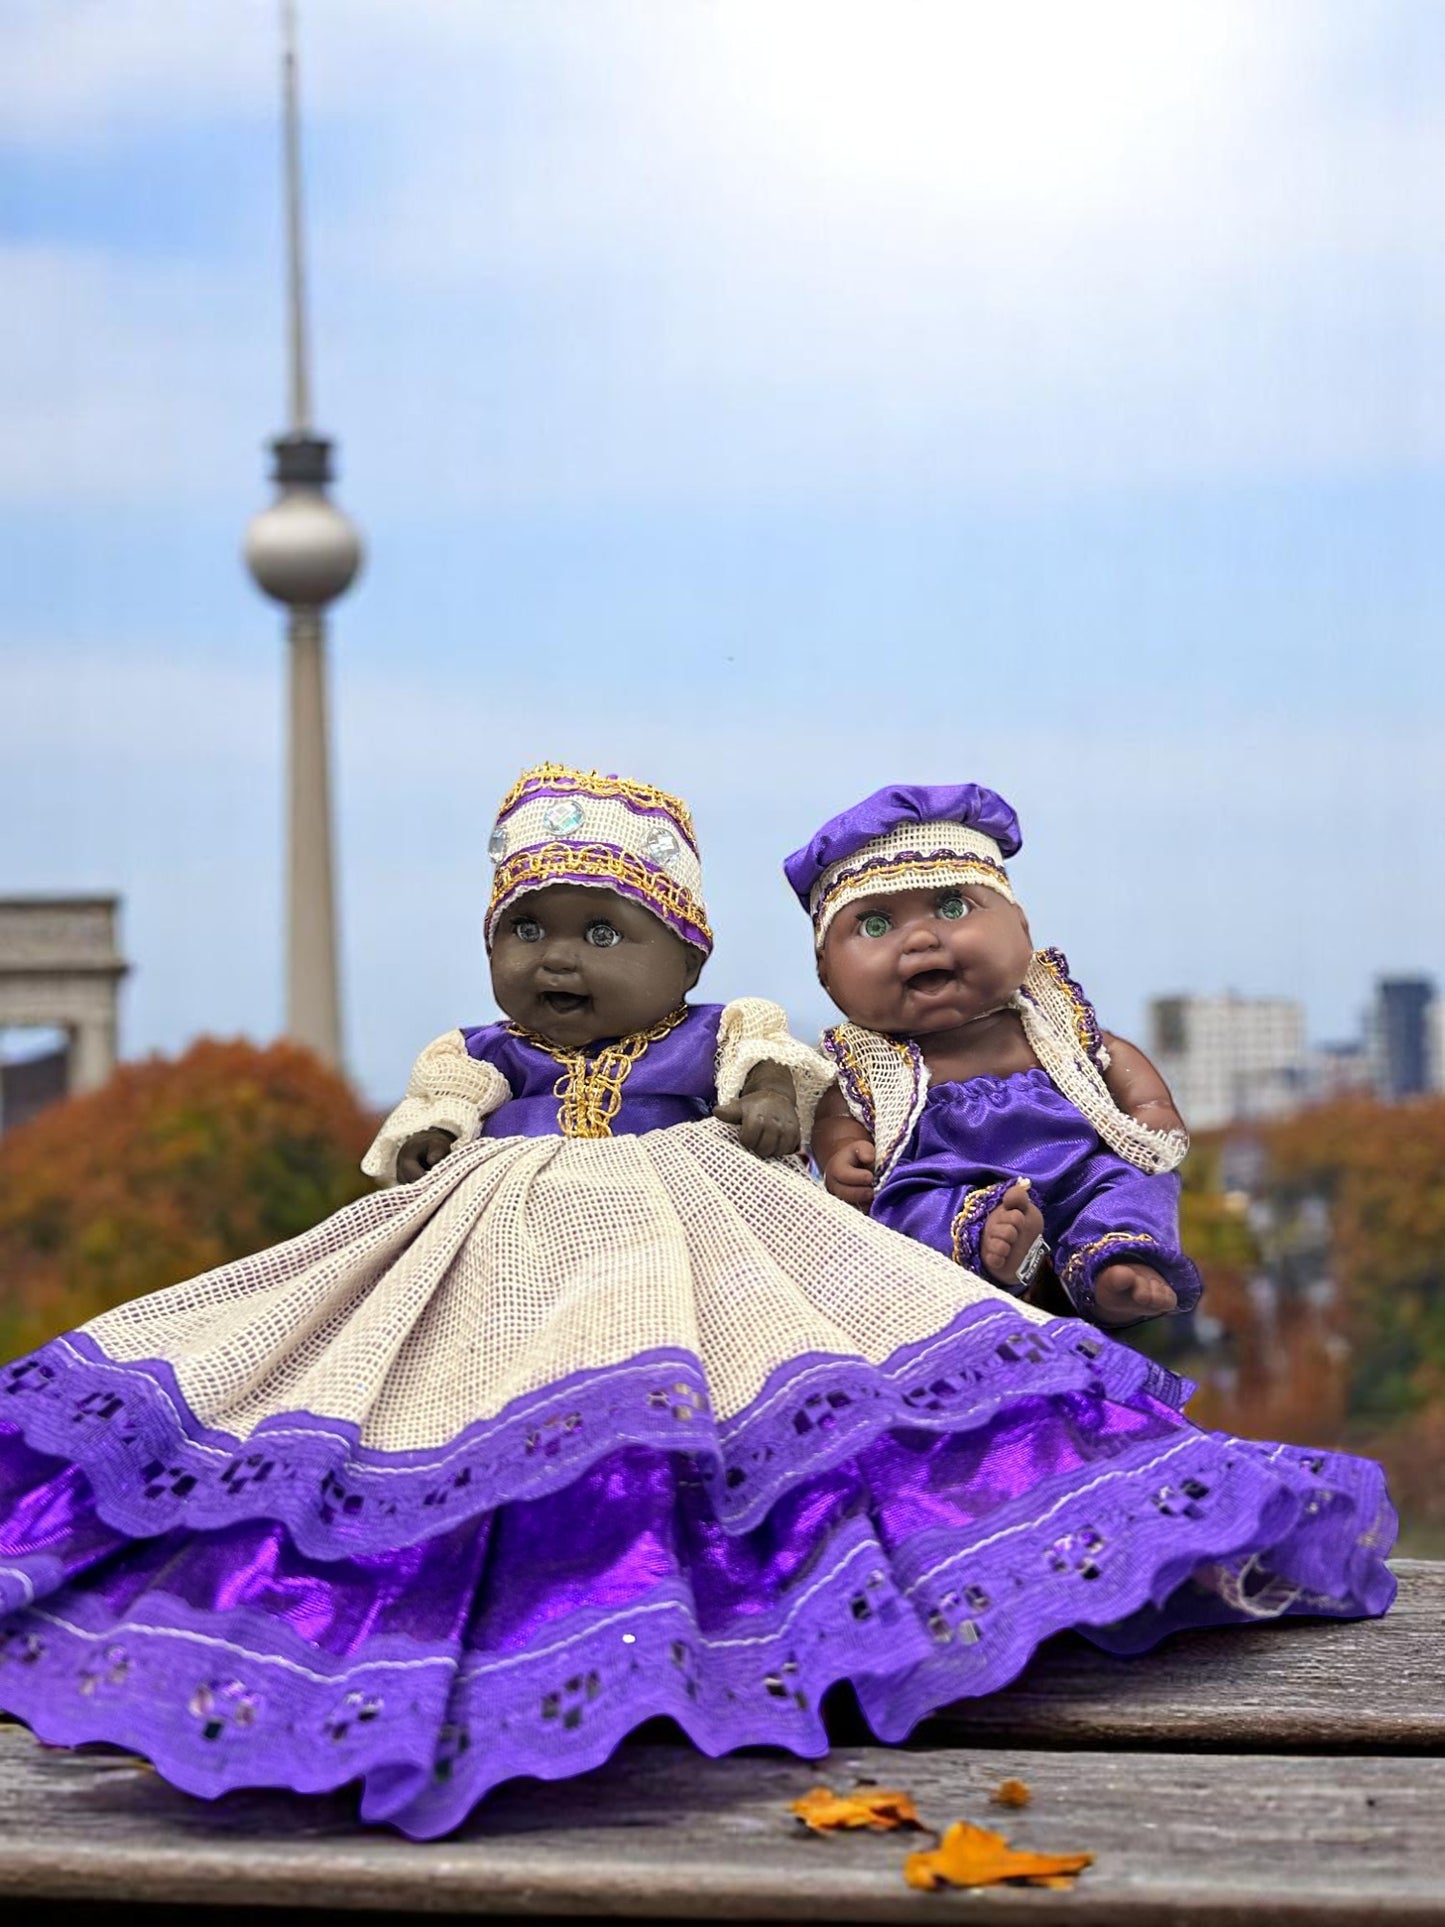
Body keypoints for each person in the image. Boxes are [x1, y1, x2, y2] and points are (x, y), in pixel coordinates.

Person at [0, 765, 1394, 1839]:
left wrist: (786, 1109)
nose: (559, 961)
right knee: (420, 1397)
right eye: (528, 931)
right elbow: (436, 1108)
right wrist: (431, 1136)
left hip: (694, 1228)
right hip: (493, 1242)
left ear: (682, 953)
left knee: (763, 1392)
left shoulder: (721, 1036)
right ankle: (519, 1614)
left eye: (601, 929)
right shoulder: (483, 1057)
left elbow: (777, 1103)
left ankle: (699, 1608)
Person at [789, 781, 1200, 1327]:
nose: (919, 940)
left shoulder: (1050, 1018)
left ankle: (1112, 1259)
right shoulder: (865, 1057)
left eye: (953, 906)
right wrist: (842, 1153)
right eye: (876, 925)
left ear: (1022, 927)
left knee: (1135, 1180)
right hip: (949, 1178)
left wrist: (1147, 1108)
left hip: (1078, 1164)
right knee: (907, 1205)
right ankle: (994, 1251)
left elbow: (1113, 1057)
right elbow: (838, 1116)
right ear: (827, 976)